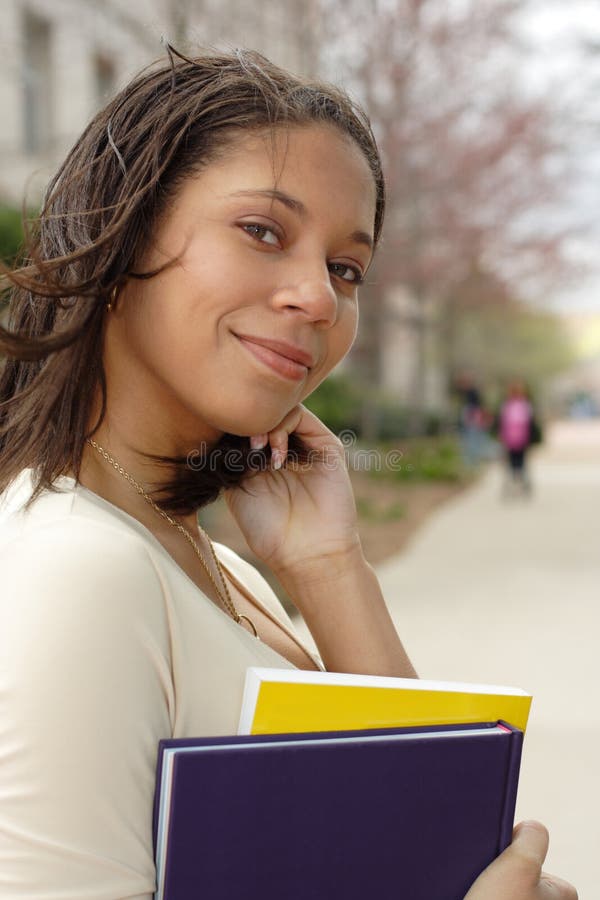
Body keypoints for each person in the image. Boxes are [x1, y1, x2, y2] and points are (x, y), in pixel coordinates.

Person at [0, 48, 576, 900]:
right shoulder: (74, 568)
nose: (318, 296)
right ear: (119, 237)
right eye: (263, 231)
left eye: (347, 269)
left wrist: (328, 566)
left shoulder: (213, 564)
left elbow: (421, 831)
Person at [498, 379, 536, 495]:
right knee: (521, 461)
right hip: (521, 438)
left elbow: (502, 422)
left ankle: (515, 482)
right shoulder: (525, 405)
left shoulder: (507, 405)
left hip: (511, 438)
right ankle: (521, 482)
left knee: (512, 461)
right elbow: (531, 422)